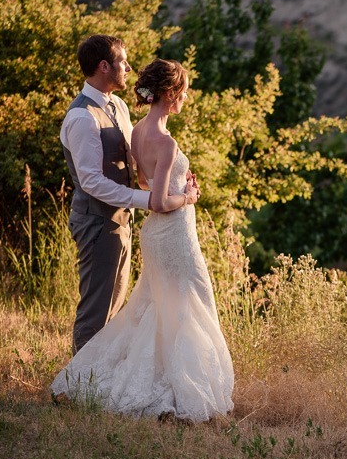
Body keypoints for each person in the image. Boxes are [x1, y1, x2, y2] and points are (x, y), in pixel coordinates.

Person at [51, 58, 234, 422]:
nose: (184, 99)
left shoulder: (136, 132)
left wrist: (179, 186)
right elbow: (160, 202)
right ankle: (180, 388)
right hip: (173, 233)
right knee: (186, 304)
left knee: (157, 307)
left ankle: (132, 374)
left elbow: (148, 183)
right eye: (182, 92)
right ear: (170, 94)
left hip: (155, 235)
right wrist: (189, 197)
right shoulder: (166, 142)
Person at [61, 34, 163, 355]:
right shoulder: (81, 117)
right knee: (96, 307)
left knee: (115, 304)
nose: (129, 67)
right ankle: (77, 387)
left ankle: (99, 382)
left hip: (121, 220)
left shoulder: (117, 105)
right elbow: (91, 181)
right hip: (95, 222)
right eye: (123, 62)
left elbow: (135, 154)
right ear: (104, 66)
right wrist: (144, 200)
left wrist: (167, 178)